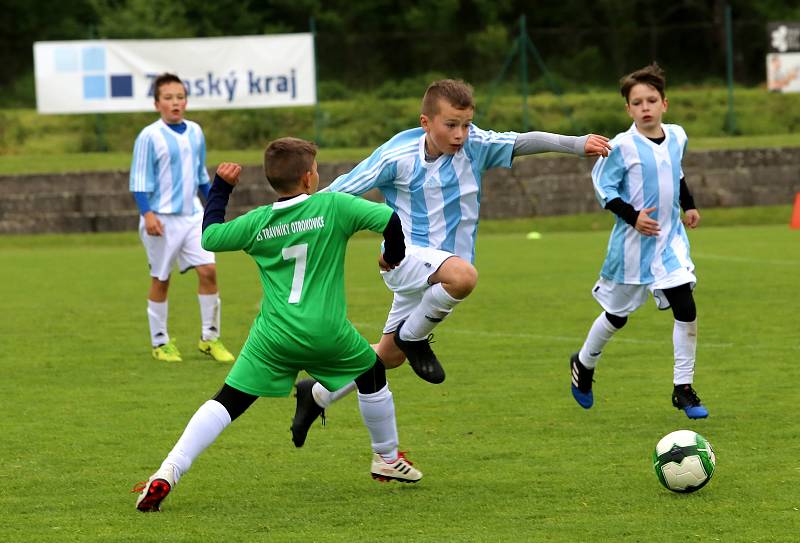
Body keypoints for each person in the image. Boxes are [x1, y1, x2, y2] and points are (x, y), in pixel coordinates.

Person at [290, 78, 612, 447]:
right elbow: (340, 191)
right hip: (405, 259)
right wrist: (291, 213)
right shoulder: (398, 156)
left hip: (436, 273)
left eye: (466, 124)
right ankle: (416, 337)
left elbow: (523, 141)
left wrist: (576, 144)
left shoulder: (475, 146)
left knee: (388, 357)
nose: (460, 134)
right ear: (426, 122)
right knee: (464, 277)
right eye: (450, 125)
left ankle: (317, 394)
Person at [133, 138, 420, 513]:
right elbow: (389, 219)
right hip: (326, 332)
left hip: (272, 337)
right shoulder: (333, 206)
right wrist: (392, 257)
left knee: (228, 402)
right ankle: (385, 457)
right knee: (373, 373)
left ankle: (167, 471)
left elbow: (210, 236)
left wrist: (221, 188)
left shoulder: (259, 222)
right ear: (307, 178)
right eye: (315, 169)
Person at [569, 63, 709, 419]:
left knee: (686, 306)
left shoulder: (677, 135)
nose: (645, 107)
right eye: (637, 102)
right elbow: (605, 189)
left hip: (669, 242)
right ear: (628, 109)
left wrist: (688, 205)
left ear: (665, 103)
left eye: (651, 100)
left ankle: (683, 388)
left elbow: (676, 172)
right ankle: (583, 364)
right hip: (631, 247)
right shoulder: (620, 146)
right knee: (616, 316)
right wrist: (633, 216)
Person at [129, 72, 234, 363]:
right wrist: (147, 213)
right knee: (161, 279)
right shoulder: (149, 136)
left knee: (209, 272)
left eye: (180, 97)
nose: (175, 103)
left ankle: (210, 338)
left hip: (193, 217)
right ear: (157, 103)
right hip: (160, 218)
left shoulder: (196, 132)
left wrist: (216, 203)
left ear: (186, 100)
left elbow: (200, 175)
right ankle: (160, 342)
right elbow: (138, 180)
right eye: (168, 98)